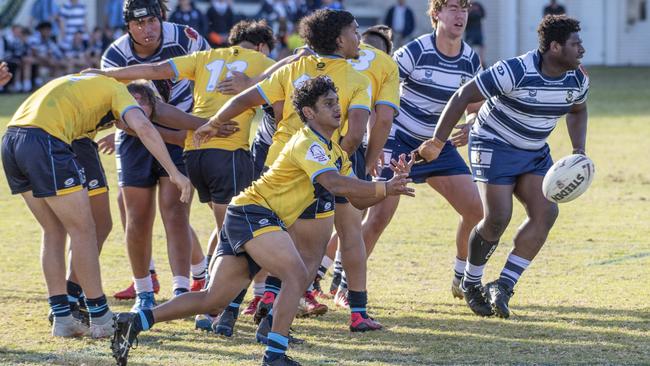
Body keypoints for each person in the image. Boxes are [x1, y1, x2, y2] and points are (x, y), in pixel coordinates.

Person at [111, 75, 414, 366]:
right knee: (296, 273)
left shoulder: (335, 152)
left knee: (213, 301)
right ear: (309, 112)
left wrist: (390, 185)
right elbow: (335, 184)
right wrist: (383, 188)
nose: (338, 108)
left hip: (247, 215)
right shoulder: (307, 142)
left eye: (338, 101)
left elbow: (356, 198)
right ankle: (274, 355)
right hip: (254, 213)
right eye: (329, 103)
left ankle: (134, 321)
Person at [92, 19, 277, 336]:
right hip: (228, 153)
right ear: (261, 46)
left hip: (194, 152)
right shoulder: (263, 62)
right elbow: (288, 80)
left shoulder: (206, 58)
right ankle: (222, 309)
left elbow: (152, 70)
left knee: (226, 231)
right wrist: (260, 76)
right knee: (239, 238)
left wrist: (104, 75)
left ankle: (210, 294)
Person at [417, 14, 588, 318]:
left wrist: (579, 150)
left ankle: (504, 285)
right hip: (492, 143)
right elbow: (462, 96)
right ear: (555, 47)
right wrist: (437, 141)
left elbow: (577, 110)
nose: (582, 49)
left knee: (547, 211)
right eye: (576, 44)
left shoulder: (577, 79)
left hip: (533, 151)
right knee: (497, 217)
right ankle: (470, 283)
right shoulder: (515, 70)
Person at [1, 73, 192, 338]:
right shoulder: (120, 92)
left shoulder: (86, 84)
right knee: (84, 230)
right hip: (46, 140)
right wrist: (174, 172)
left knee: (54, 231)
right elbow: (144, 128)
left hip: (11, 140)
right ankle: (101, 316)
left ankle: (62, 317)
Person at [354, 0, 484, 305]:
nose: (460, 15)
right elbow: (380, 93)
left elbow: (475, 108)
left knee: (476, 212)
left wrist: (470, 125)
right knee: (377, 219)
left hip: (438, 146)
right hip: (398, 142)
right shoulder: (416, 51)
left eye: (464, 9)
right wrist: (374, 147)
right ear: (436, 14)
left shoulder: (469, 59)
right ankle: (340, 280)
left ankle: (461, 276)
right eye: (453, 8)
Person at [101, 0, 210, 309]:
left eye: (151, 21)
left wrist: (194, 127)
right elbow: (119, 114)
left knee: (175, 212)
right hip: (137, 137)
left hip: (182, 128)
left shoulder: (187, 39)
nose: (146, 29)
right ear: (127, 26)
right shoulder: (115, 55)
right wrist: (170, 134)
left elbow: (205, 84)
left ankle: (182, 288)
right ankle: (144, 290)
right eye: (138, 24)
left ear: (161, 17)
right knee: (136, 216)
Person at [314, 25, 400, 303]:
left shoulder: (318, 56)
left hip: (309, 147)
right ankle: (345, 290)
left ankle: (285, 289)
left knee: (307, 222)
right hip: (351, 149)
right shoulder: (386, 64)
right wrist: (369, 162)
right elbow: (383, 119)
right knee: (351, 226)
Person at [465, 1, 486, 66]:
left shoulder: (478, 5)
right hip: (469, 31)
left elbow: (483, 14)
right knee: (469, 47)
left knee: (482, 46)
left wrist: (475, 13)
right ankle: (469, 61)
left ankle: (482, 62)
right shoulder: (466, 5)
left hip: (478, 31)